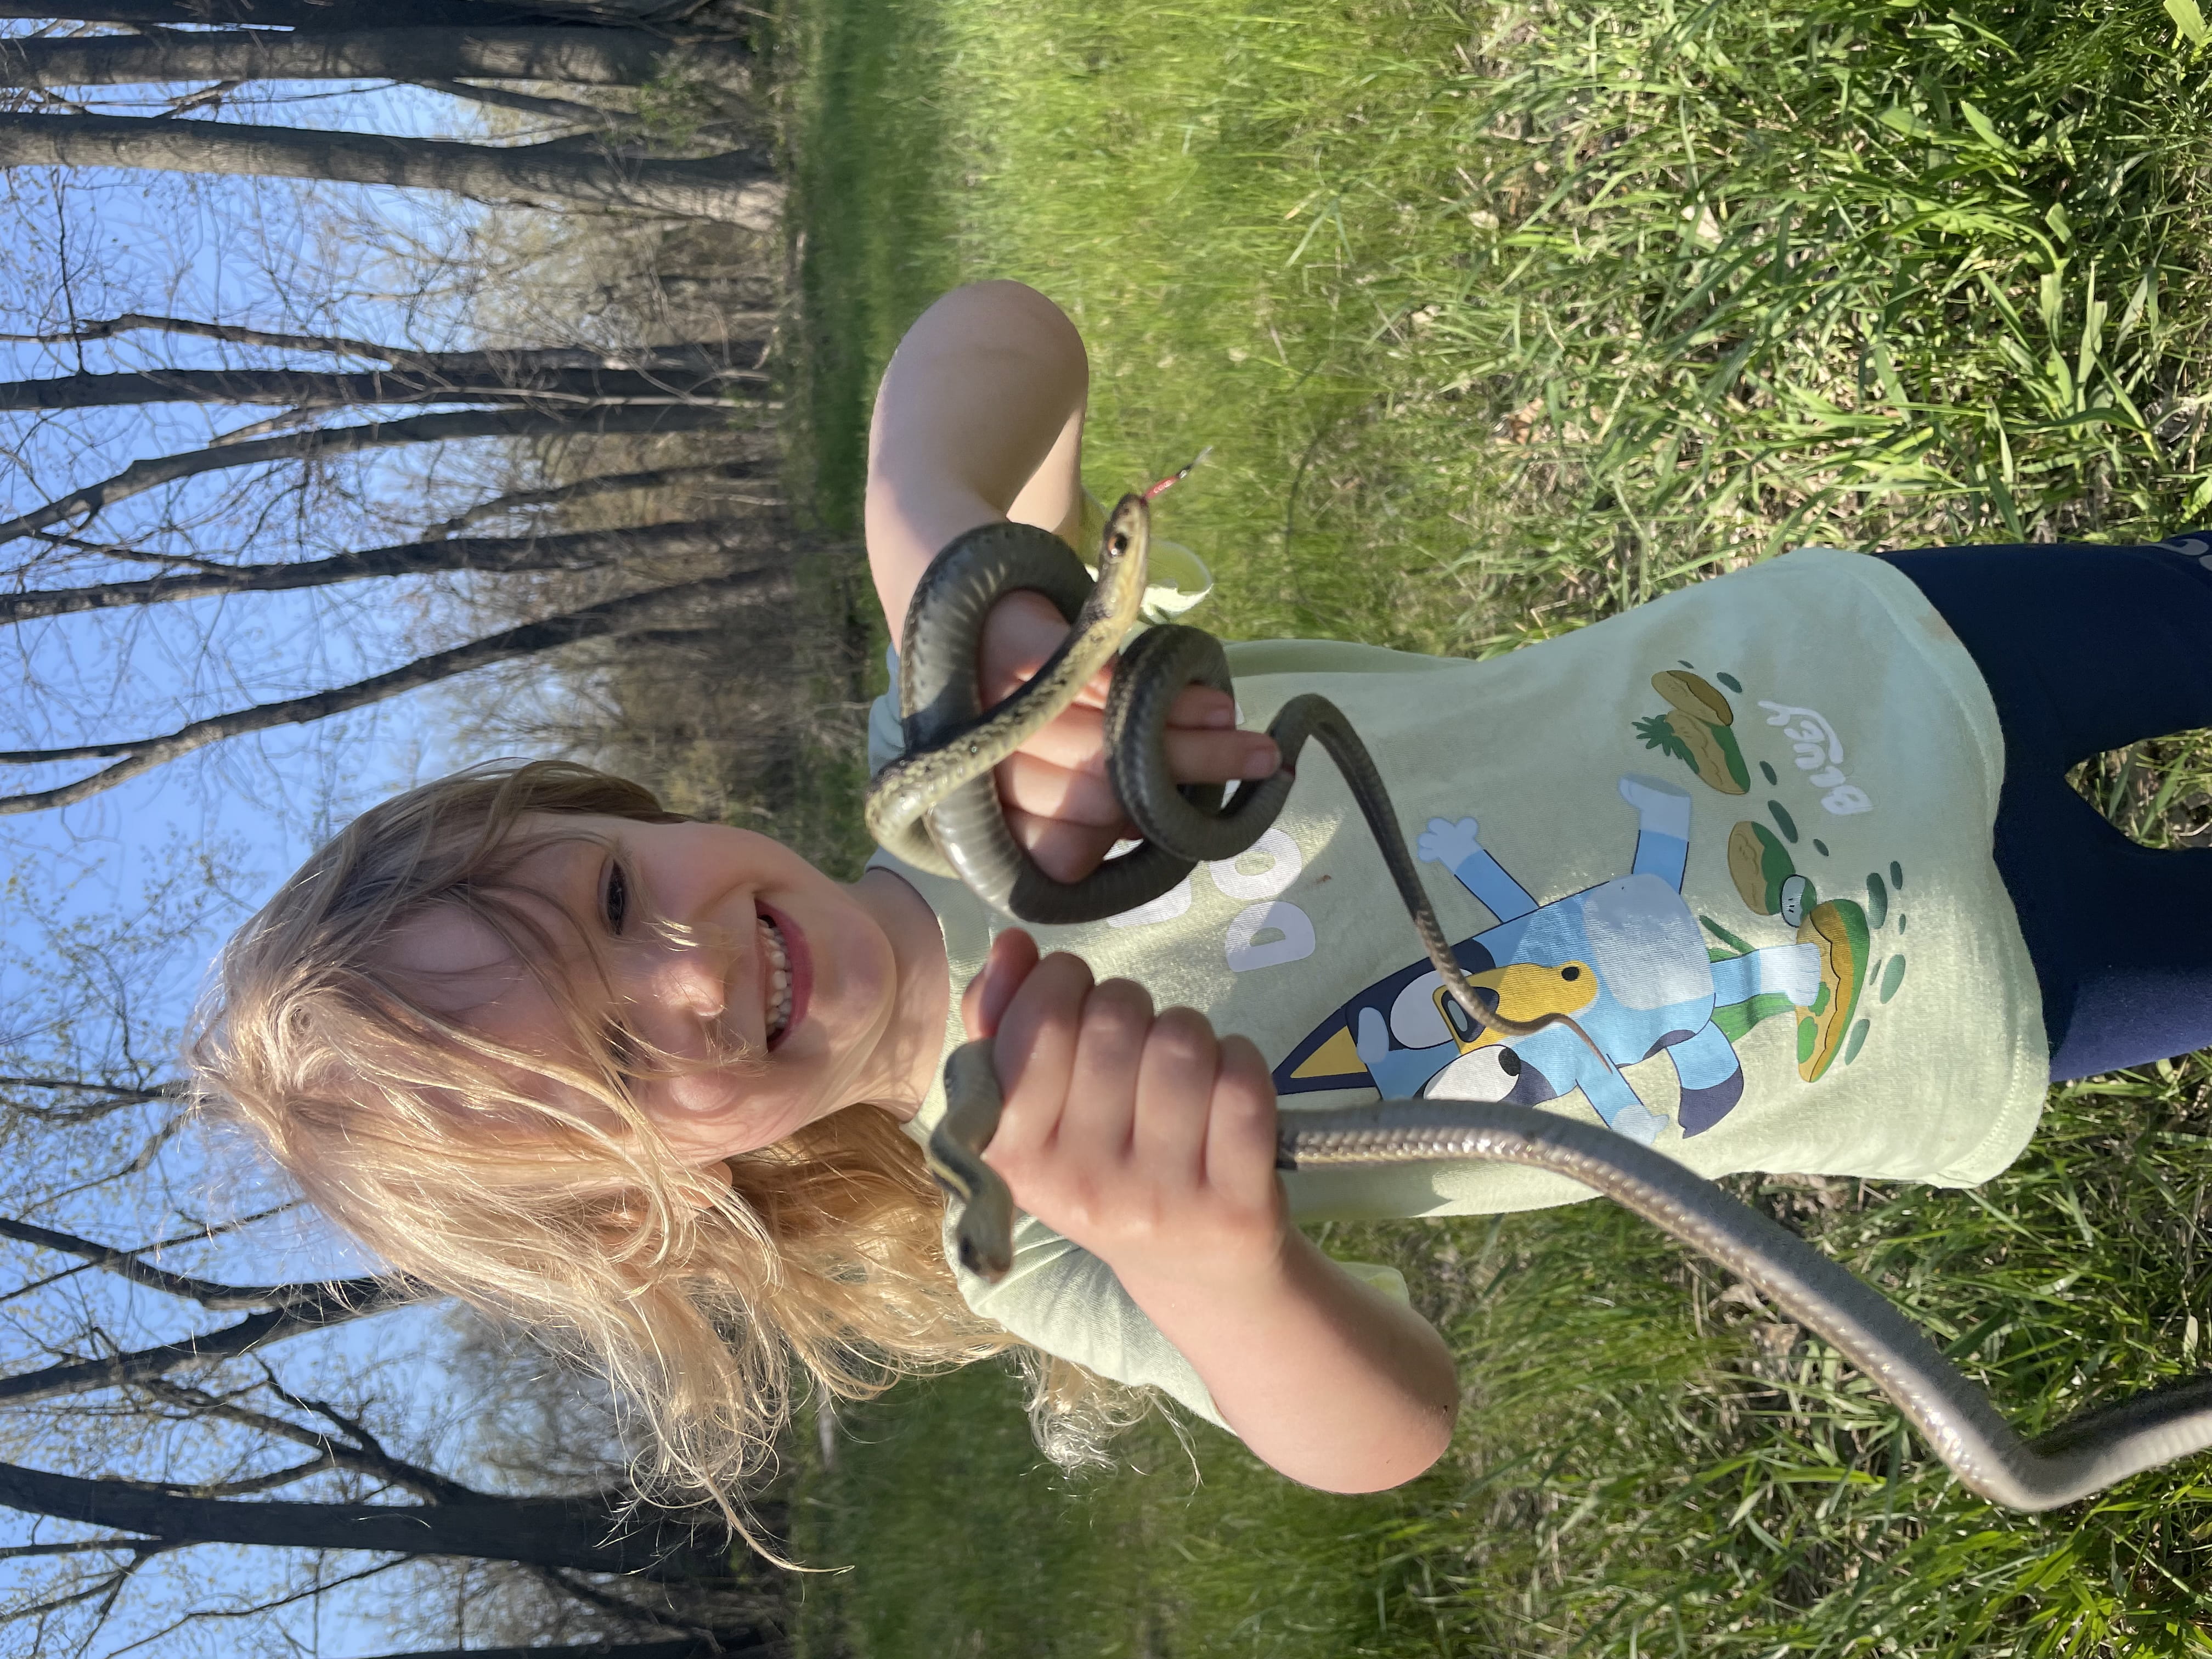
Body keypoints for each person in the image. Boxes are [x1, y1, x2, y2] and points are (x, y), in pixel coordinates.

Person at [193, 281, 2212, 1525]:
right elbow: (1385, 1435)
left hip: (1864, 667)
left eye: (623, 895)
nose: (692, 968)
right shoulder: (1031, 1231)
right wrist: (1228, 1266)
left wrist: (954, 574)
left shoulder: (963, 756)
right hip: (1945, 1009)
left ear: (631, 812)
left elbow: (1004, 338)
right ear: (663, 1195)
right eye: (630, 1058)